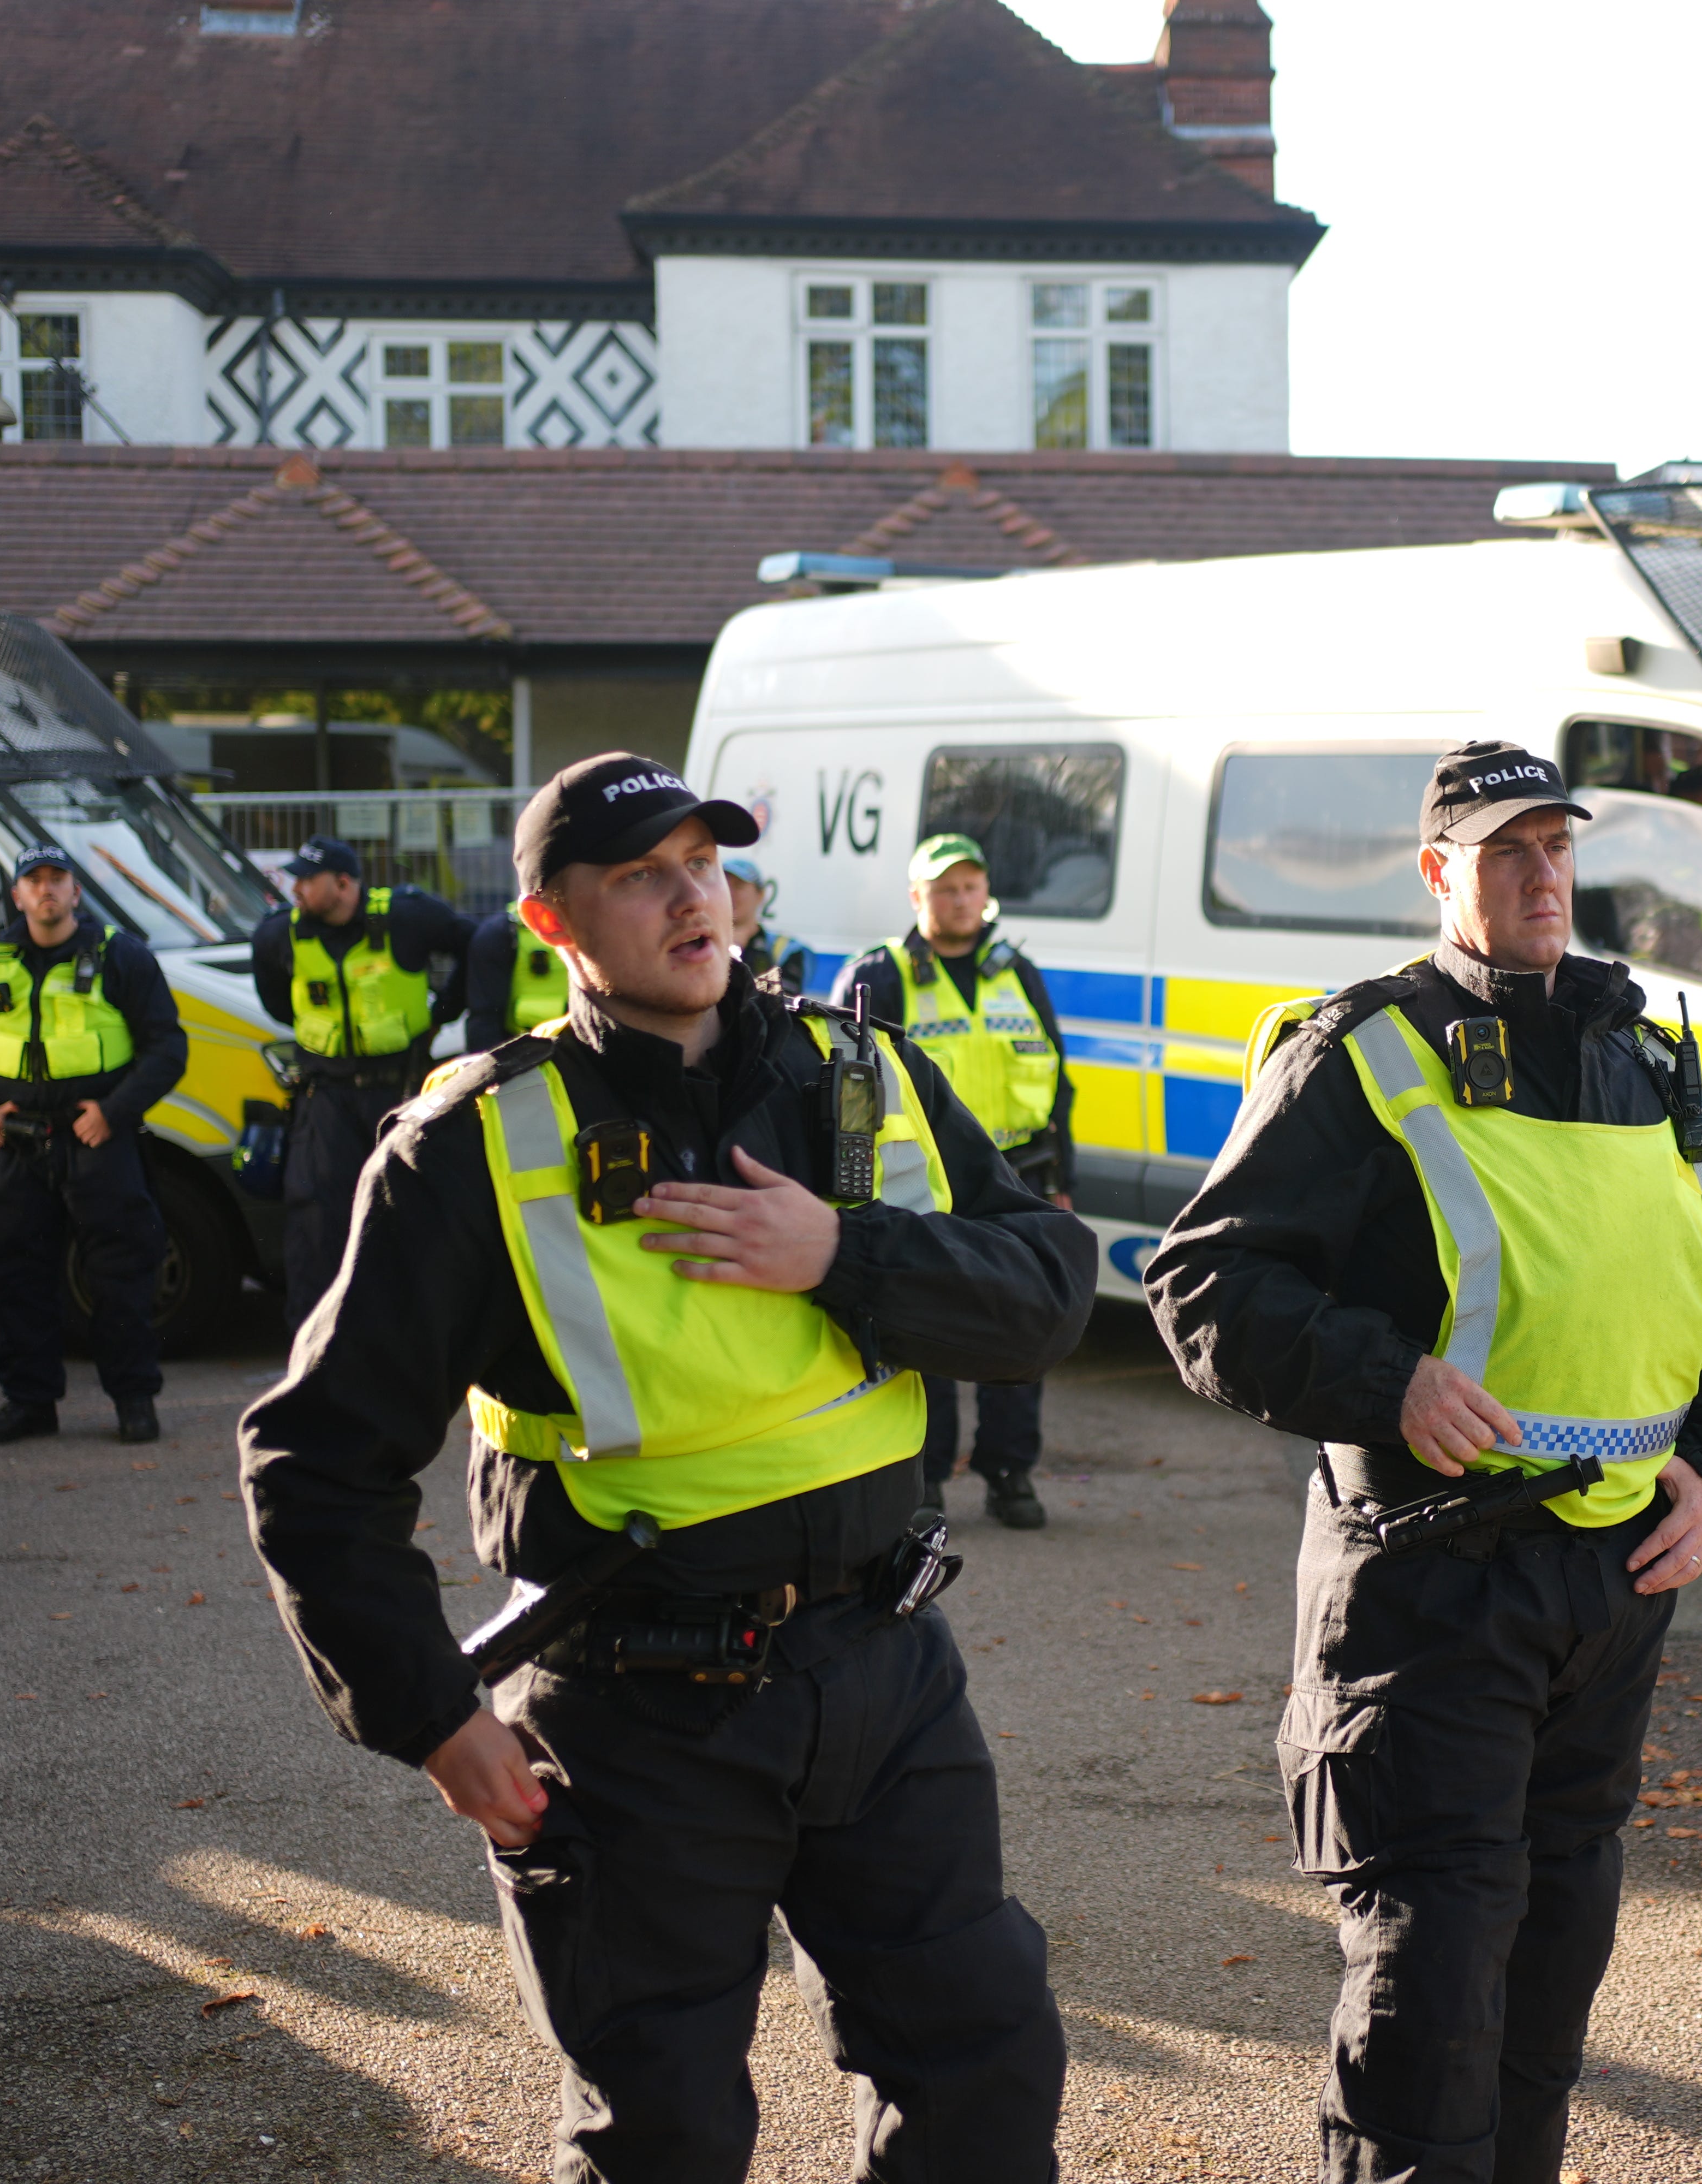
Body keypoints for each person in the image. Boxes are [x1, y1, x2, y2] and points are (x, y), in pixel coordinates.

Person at [243, 752, 1091, 2182]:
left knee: (986, 2080)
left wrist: (843, 1254)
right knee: (667, 2139)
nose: (693, 896)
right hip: (638, 1716)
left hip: (887, 1680)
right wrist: (432, 1713)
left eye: (705, 862)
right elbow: (316, 1463)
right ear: (551, 922)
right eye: (643, 874)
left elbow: (1048, 1290)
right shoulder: (476, 1142)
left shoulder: (858, 1069)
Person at [1145, 740, 1702, 2182]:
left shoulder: (1650, 1060)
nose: (1544, 876)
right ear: (1439, 875)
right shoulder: (1360, 1052)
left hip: (1608, 1604)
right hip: (1427, 1598)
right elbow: (1204, 1292)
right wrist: (1386, 1383)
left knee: (1550, 1992)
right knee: (1431, 2001)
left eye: (1558, 846)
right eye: (1508, 852)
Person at [832, 833, 1075, 1532]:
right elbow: (844, 1087)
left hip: (1018, 1179)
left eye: (971, 885)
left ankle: (1010, 1474)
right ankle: (926, 1478)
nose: (961, 899)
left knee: (1016, 1323)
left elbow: (1057, 1076)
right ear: (918, 899)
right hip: (921, 1181)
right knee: (929, 1328)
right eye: (944, 888)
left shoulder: (1016, 971)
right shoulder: (878, 972)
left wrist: (1063, 1176)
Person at [0, 846, 187, 1446]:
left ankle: (133, 1399)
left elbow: (167, 1047)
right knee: (18, 1272)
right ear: (16, 895)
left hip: (95, 1136)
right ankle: (29, 1402)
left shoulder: (121, 958)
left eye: (58, 880)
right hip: (16, 1144)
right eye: (33, 881)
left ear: (76, 892)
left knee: (121, 1270)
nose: (46, 891)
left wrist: (115, 1112)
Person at [249, 837, 473, 1323]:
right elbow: (274, 996)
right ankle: (314, 1349)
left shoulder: (408, 917)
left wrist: (445, 1012)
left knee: (409, 1214)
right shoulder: (278, 936)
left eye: (308, 881)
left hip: (400, 1093)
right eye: (296, 880)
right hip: (325, 1094)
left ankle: (415, 1335)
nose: (297, 891)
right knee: (316, 1220)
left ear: (345, 884)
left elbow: (475, 943)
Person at [463, 897, 568, 1058]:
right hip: (579, 1050)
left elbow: (484, 1020)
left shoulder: (495, 932)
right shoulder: (602, 924)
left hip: (517, 1052)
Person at [723, 853, 815, 996]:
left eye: (738, 886)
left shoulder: (787, 950)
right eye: (723, 885)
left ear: (761, 895)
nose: (730, 893)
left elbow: (782, 1004)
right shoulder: (702, 944)